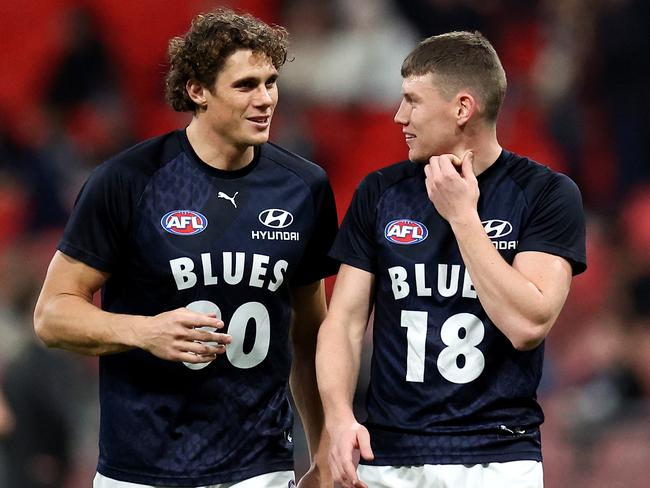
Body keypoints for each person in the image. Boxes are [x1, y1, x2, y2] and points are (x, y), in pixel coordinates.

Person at [33, 8, 338, 488]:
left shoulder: (304, 186)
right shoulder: (128, 181)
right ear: (197, 90)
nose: (265, 100)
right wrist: (144, 332)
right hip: (142, 469)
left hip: (259, 467)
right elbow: (51, 315)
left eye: (271, 82)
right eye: (245, 85)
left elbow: (309, 333)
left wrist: (323, 449)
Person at [316, 31, 586, 488]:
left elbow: (527, 325)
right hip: (389, 456)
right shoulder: (381, 193)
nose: (399, 116)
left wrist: (462, 217)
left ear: (463, 108)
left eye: (413, 101)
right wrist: (339, 417)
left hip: (497, 458)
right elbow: (342, 321)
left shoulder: (546, 194)